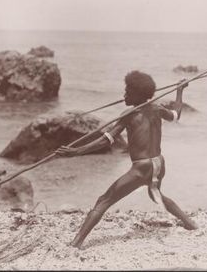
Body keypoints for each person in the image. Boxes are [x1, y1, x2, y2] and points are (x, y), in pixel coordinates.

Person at [55, 70, 197, 249]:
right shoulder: (157, 108)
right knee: (156, 195)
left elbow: (106, 141)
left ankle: (75, 245)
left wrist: (77, 151)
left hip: (142, 167)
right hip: (159, 163)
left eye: (128, 92)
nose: (124, 95)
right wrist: (179, 90)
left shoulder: (129, 114)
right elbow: (176, 114)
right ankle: (190, 224)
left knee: (103, 201)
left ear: (138, 94)